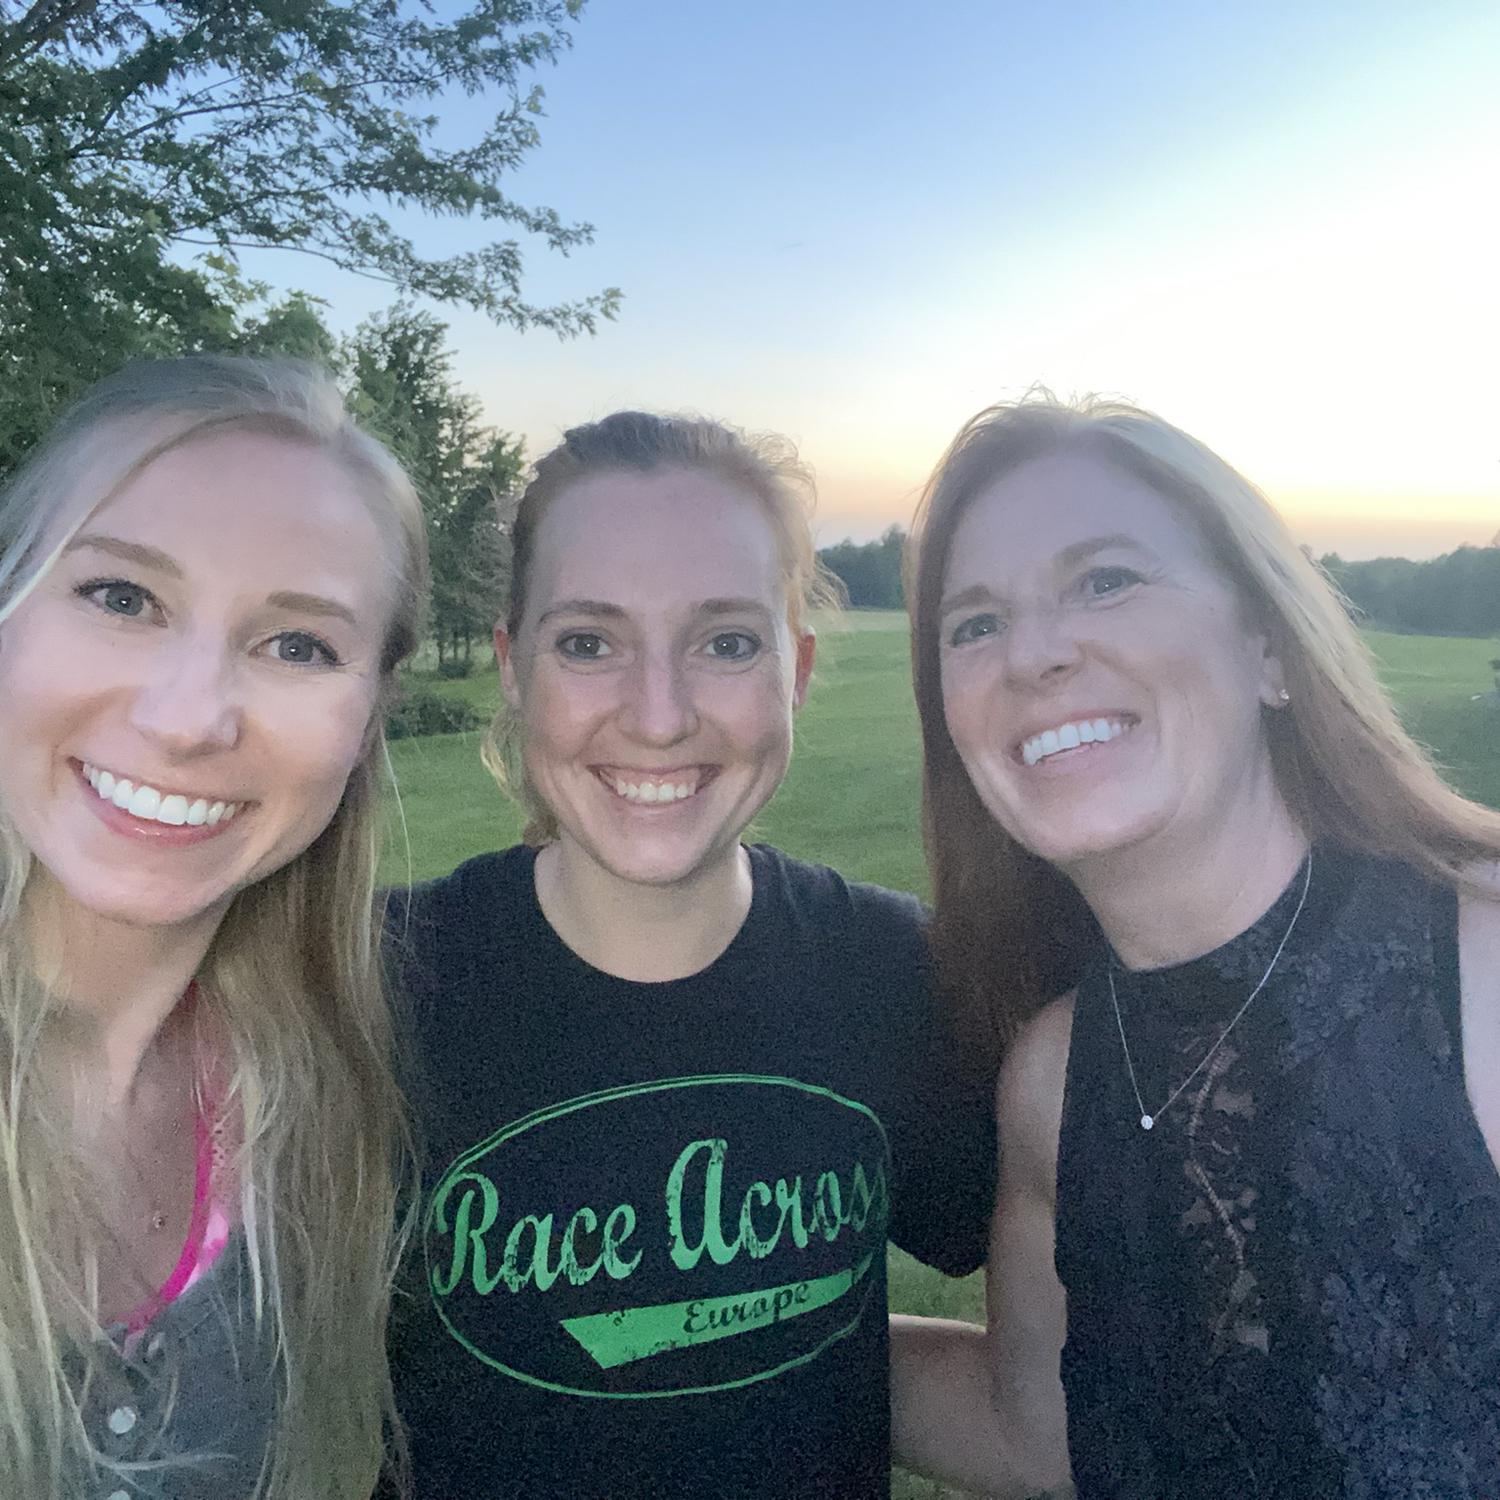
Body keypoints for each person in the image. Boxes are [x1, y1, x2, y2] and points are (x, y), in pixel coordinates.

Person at [889, 393, 1500, 1498]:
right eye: (973, 623)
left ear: (1269, 644)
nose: (1032, 653)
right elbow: (1037, 1435)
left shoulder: (1485, 968)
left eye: (1105, 580)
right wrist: (722, 1332)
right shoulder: (1053, 1080)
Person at [385, 410, 996, 1498]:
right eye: (588, 642)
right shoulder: (375, 984)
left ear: (796, 671)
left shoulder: (897, 975)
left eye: (725, 642)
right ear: (513, 667)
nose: (660, 716)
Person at [0, 356, 427, 1499]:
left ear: (366, 718)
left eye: (298, 646)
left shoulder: (317, 1106)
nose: (188, 719)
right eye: (121, 597)